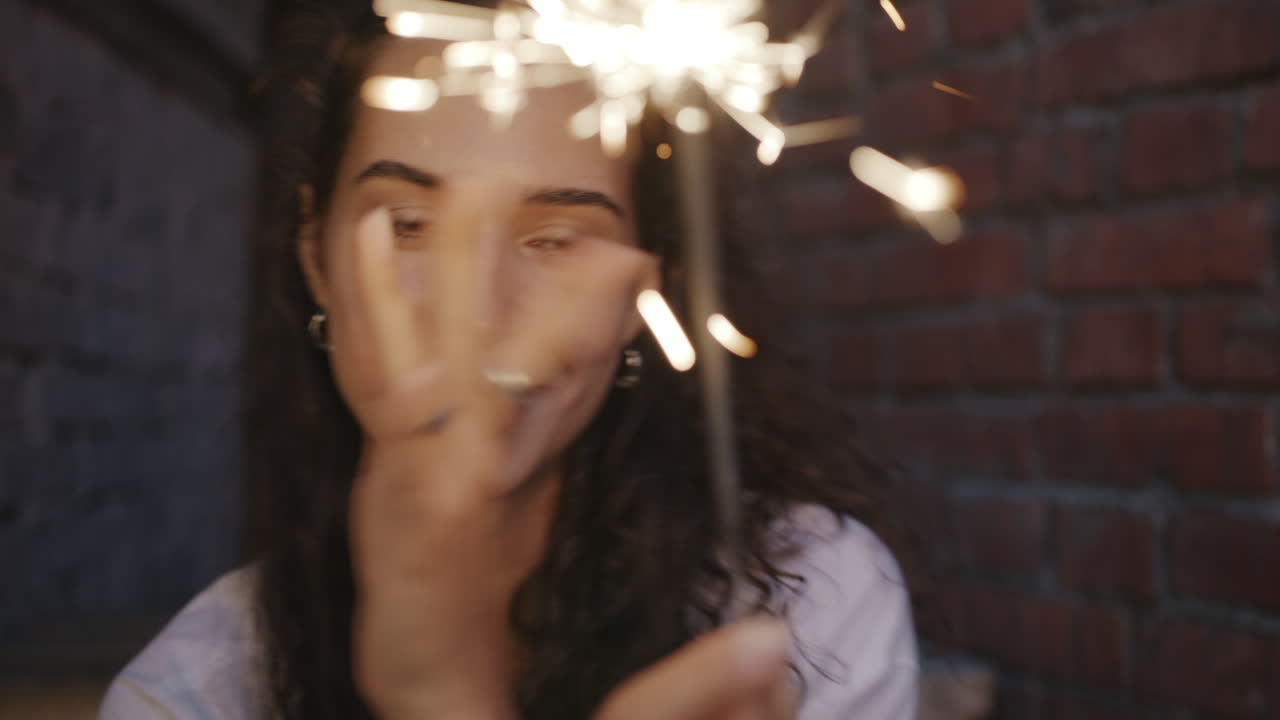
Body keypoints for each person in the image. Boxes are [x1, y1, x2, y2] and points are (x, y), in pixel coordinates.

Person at [99, 2, 919, 718]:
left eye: (555, 237)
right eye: (410, 224)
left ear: (646, 291)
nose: (481, 302)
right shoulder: (195, 690)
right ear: (317, 258)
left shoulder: (814, 609)